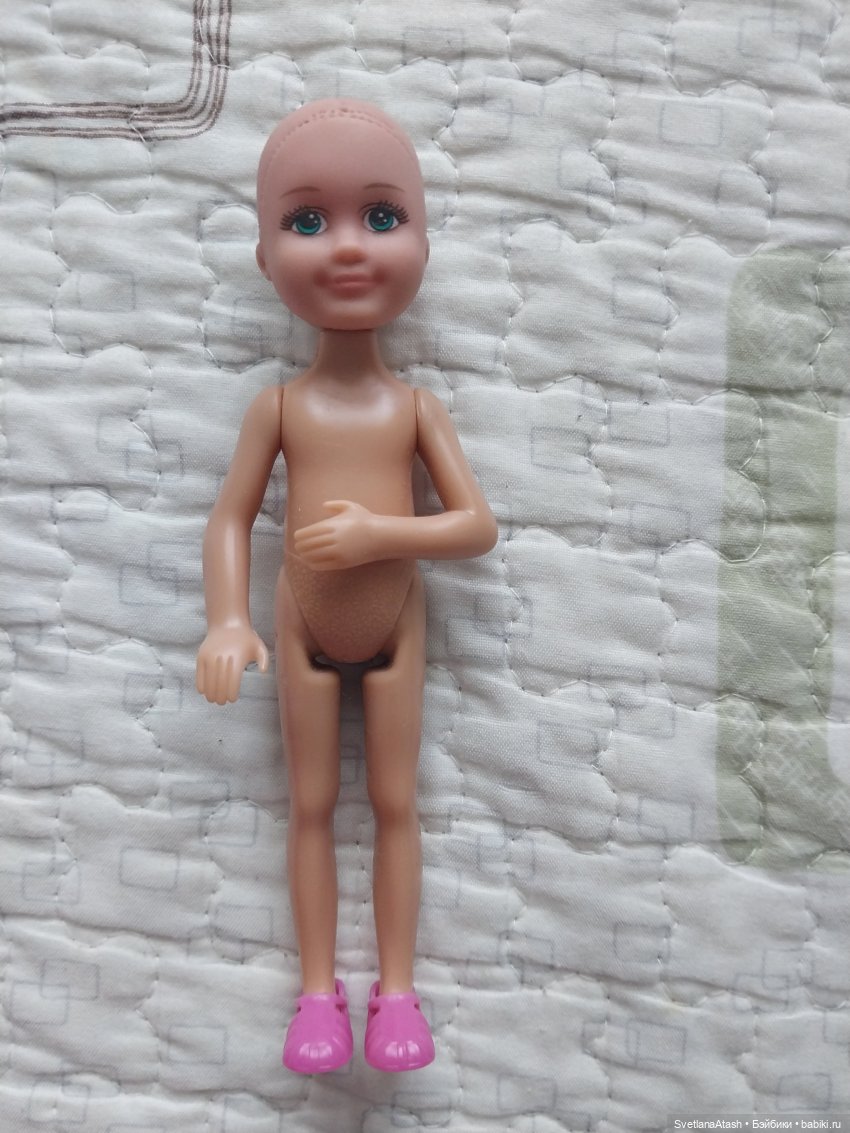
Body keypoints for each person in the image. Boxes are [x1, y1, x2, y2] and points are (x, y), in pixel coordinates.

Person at [196, 98, 497, 1073]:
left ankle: (397, 990)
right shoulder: (278, 407)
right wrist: (228, 618)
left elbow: (475, 526)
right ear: (264, 257)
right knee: (314, 806)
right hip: (300, 621)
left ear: (422, 241)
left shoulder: (416, 408)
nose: (348, 247)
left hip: (396, 617)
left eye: (381, 216)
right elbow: (231, 518)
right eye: (305, 220)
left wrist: (380, 533)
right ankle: (317, 995)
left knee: (397, 802)